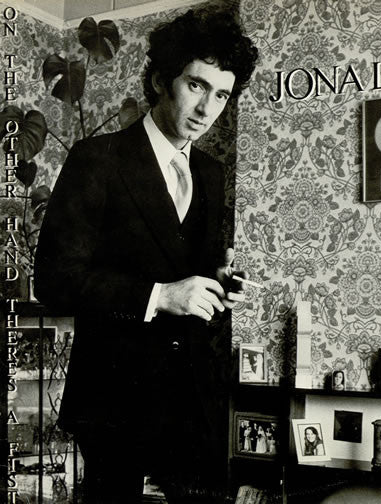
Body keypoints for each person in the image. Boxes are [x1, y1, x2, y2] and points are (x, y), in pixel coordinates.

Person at [34, 7, 258, 504]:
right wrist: (158, 296)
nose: (207, 108)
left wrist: (220, 282)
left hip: (191, 396)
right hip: (113, 397)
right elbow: (54, 279)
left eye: (222, 95)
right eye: (196, 86)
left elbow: (187, 269)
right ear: (161, 80)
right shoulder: (97, 159)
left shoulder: (211, 172)